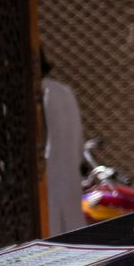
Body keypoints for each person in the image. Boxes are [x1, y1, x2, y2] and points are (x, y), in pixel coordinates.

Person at [41, 51, 85, 236]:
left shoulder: (39, 94)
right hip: (70, 180)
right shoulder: (63, 90)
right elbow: (78, 143)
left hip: (48, 184)